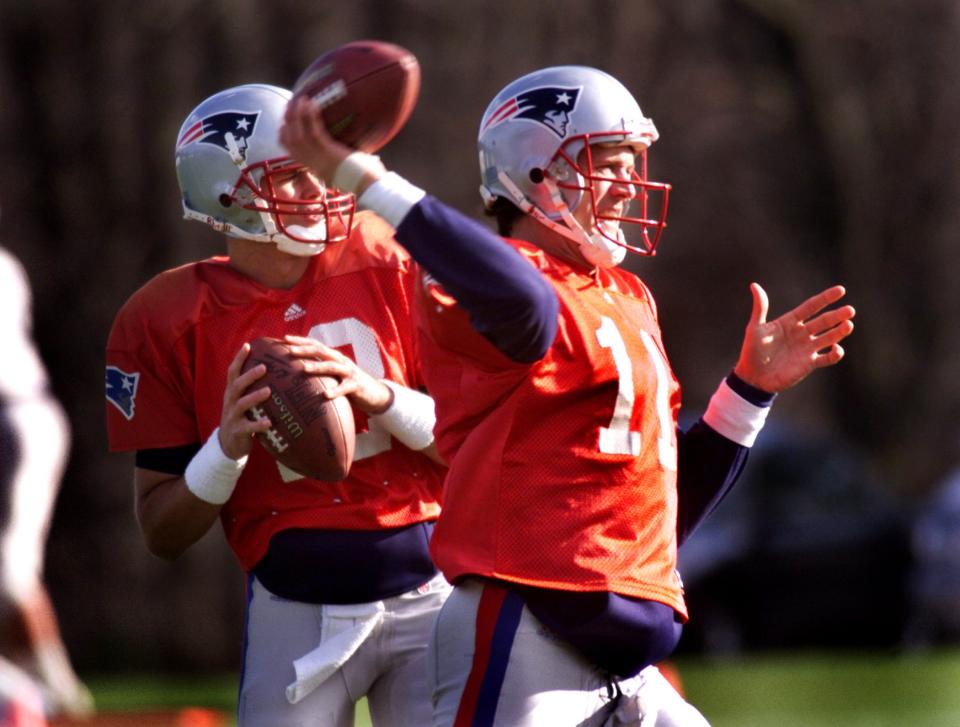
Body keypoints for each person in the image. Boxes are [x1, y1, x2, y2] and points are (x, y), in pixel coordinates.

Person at [279, 64, 856, 726]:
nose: (627, 185)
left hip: (628, 650)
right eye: (608, 163)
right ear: (535, 173)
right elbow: (520, 296)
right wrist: (364, 179)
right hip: (527, 623)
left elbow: (660, 510)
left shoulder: (628, 297)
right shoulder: (494, 288)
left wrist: (748, 391)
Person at [105, 84, 448, 727]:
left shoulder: (389, 256)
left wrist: (383, 396)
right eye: (292, 176)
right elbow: (161, 532)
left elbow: (469, 443)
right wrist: (225, 451)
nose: (319, 188)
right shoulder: (167, 318)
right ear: (225, 194)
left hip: (430, 593)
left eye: (321, 168)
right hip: (294, 605)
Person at [0, 243, 93, 722]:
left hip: (15, 417)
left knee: (12, 571)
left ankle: (61, 694)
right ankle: (21, 686)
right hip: (19, 416)